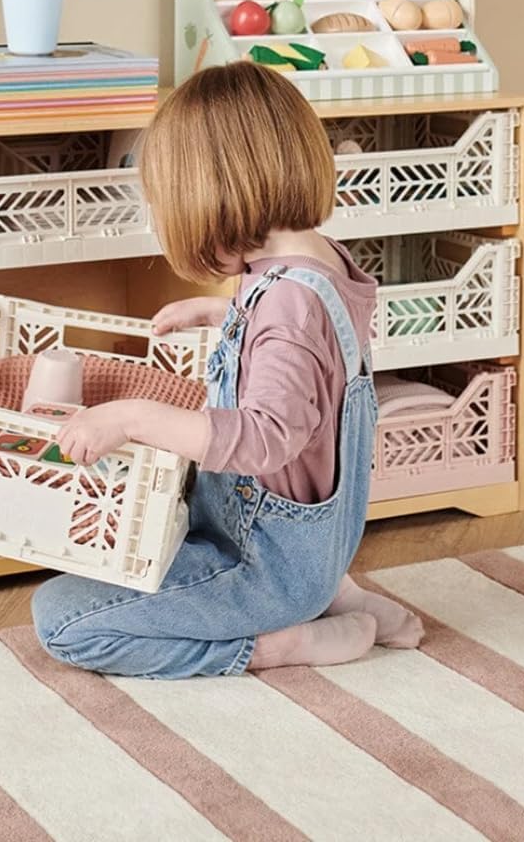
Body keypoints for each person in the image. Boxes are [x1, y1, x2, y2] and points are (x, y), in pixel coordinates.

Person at [31, 61, 423, 678]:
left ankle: (284, 641)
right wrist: (225, 313)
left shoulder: (287, 305)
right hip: (315, 546)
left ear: (212, 195)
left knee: (61, 619)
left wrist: (133, 417)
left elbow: (266, 437)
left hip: (259, 563)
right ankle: (335, 594)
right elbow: (309, 354)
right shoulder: (321, 266)